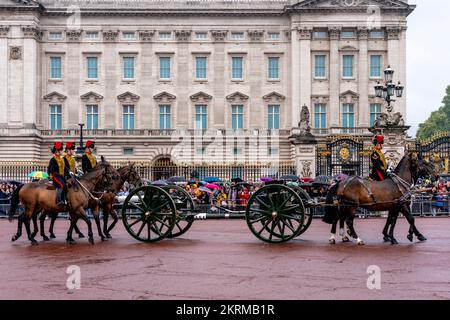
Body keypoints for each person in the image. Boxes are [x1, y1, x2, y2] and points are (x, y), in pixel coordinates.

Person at [47, 142, 70, 206]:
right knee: (62, 185)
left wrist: (69, 172)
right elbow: (50, 169)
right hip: (56, 176)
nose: (62, 152)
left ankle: (65, 199)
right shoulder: (53, 159)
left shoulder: (62, 159)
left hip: (62, 176)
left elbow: (65, 168)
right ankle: (59, 200)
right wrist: (52, 176)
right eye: (61, 150)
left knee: (67, 185)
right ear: (57, 151)